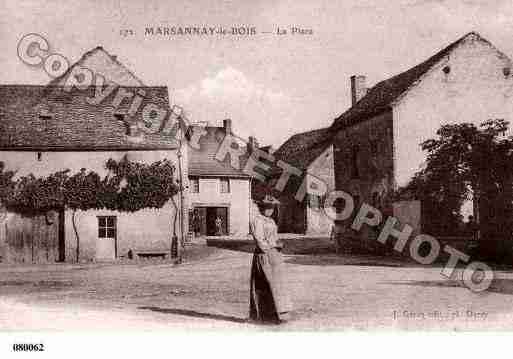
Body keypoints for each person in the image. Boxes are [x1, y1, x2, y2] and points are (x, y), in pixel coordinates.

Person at [249, 195, 292, 324]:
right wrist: (271, 247)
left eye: (272, 208)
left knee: (277, 284)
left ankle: (278, 313)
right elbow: (259, 240)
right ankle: (264, 316)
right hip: (264, 255)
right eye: (268, 207)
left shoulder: (271, 221)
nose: (270, 210)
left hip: (274, 255)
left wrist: (278, 243)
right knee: (265, 283)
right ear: (261, 207)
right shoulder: (257, 220)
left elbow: (273, 237)